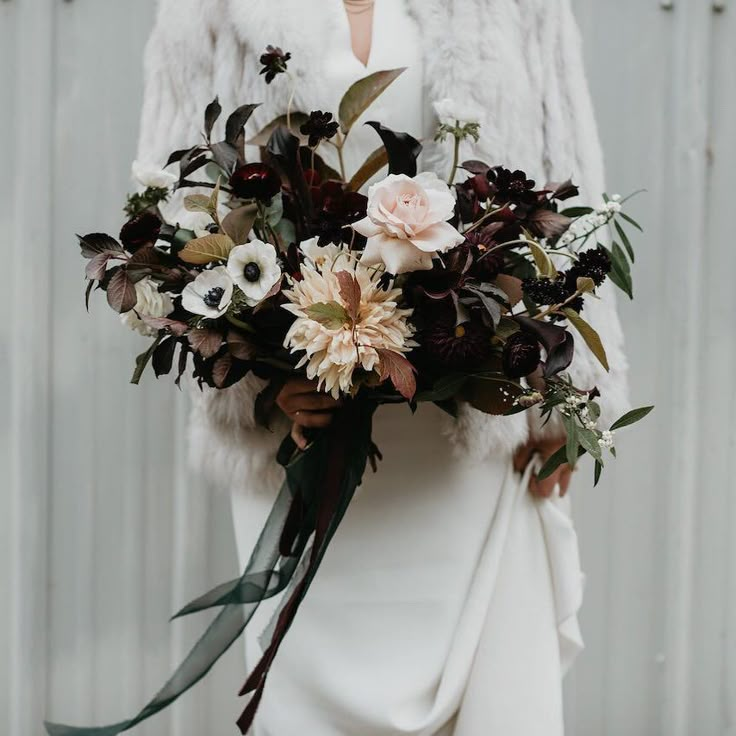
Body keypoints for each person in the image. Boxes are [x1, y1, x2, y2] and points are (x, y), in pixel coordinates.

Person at [135, 1, 629, 733]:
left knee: (484, 683)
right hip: (301, 428)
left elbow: (573, 189)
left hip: (470, 418)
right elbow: (165, 214)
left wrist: (579, 395)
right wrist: (262, 380)